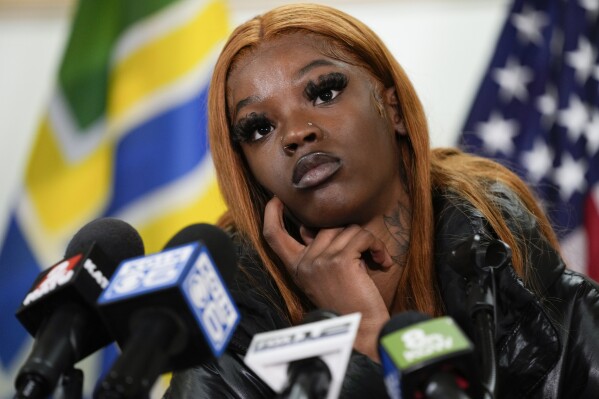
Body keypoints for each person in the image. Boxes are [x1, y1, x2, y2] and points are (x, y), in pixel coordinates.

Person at [165, 3, 599, 398]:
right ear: (248, 171)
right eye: (259, 128)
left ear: (392, 109)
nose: (296, 132)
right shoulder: (227, 347)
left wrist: (369, 336)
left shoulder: (524, 282)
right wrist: (361, 341)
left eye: (324, 92)